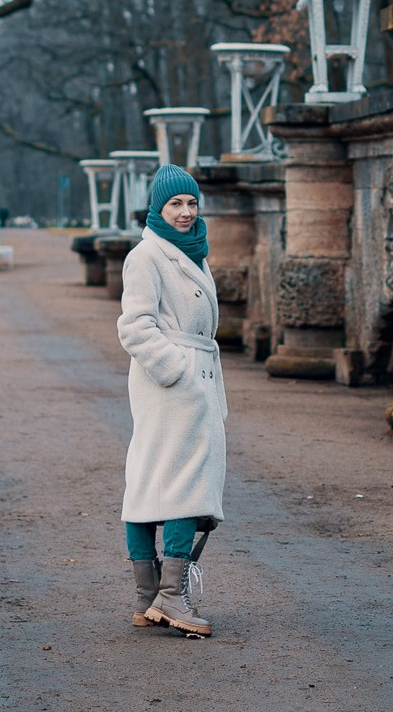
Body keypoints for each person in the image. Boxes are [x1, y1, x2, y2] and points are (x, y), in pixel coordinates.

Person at [116, 163, 226, 636]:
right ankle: (170, 597)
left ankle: (149, 599)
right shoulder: (146, 255)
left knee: (156, 480)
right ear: (157, 208)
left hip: (191, 377)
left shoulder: (192, 251)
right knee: (181, 482)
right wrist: (178, 372)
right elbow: (134, 326)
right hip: (173, 383)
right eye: (175, 204)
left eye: (192, 202)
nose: (185, 212)